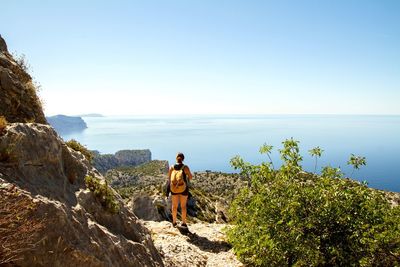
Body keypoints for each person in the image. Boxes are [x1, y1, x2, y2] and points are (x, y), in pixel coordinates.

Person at [168, 152, 193, 228]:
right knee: (183, 206)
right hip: (183, 189)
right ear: (183, 159)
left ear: (176, 158)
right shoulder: (185, 167)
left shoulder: (172, 167)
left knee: (174, 206)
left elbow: (169, 178)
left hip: (174, 189)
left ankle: (174, 222)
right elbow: (191, 177)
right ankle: (184, 223)